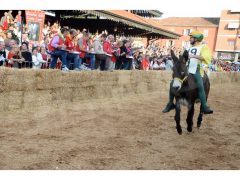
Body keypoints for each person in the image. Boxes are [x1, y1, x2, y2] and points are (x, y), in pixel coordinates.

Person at [162, 31, 213, 114]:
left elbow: (206, 57)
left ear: (196, 39)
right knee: (172, 83)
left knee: (200, 85)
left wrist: (193, 56)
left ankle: (204, 106)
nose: (190, 39)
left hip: (196, 70)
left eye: (191, 37)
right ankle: (170, 103)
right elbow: (182, 59)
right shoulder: (188, 48)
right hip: (186, 69)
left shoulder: (203, 47)